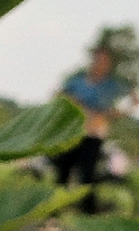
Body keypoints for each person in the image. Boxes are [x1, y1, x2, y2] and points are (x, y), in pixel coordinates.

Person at [52, 42, 135, 213]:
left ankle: (88, 213)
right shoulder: (78, 81)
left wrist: (110, 114)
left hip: (94, 136)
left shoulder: (113, 86)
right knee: (62, 171)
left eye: (104, 61)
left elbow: (131, 100)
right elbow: (60, 95)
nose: (100, 64)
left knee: (87, 175)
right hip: (73, 133)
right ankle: (53, 211)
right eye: (97, 60)